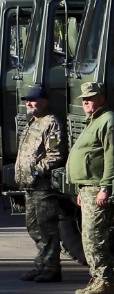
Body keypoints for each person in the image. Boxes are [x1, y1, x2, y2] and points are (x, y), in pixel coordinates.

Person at [67, 82, 114, 294]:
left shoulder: (108, 120)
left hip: (97, 187)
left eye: (90, 98)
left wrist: (106, 187)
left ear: (101, 97)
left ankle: (105, 281)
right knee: (88, 237)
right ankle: (97, 277)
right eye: (83, 99)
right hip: (87, 188)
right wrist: (80, 189)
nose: (86, 102)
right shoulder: (92, 121)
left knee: (95, 236)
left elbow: (112, 157)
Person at [13, 83, 65, 282]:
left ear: (44, 102)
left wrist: (36, 171)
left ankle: (51, 268)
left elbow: (55, 154)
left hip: (42, 186)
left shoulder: (50, 123)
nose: (29, 103)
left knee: (47, 228)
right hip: (29, 187)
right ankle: (41, 264)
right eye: (27, 100)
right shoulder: (32, 122)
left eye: (33, 100)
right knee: (33, 227)